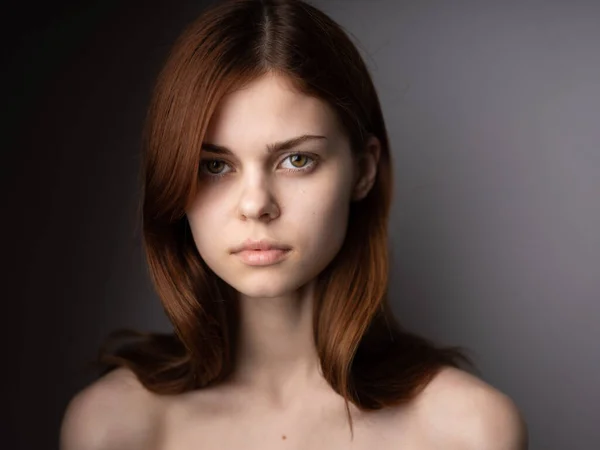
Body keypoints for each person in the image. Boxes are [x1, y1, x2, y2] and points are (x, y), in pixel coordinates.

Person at [60, 0, 528, 448]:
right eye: (215, 166)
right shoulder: (112, 428)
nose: (256, 205)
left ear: (363, 170)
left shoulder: (468, 432)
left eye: (297, 159)